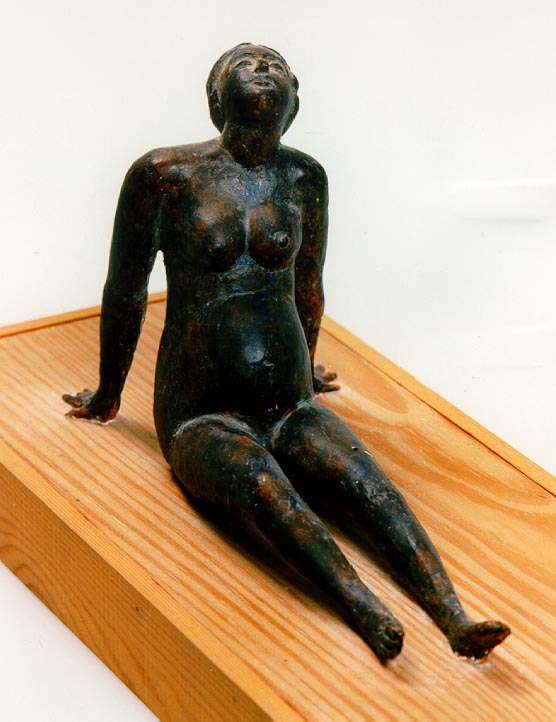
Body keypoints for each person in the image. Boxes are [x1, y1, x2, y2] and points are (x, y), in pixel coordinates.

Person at [64, 43, 510, 663]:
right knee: (266, 488)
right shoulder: (165, 175)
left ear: (294, 104)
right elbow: (125, 289)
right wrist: (108, 393)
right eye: (246, 64)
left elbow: (309, 284)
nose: (263, 69)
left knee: (366, 480)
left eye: (275, 65)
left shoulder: (304, 178)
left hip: (289, 401)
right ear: (216, 97)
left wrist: (308, 368)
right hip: (201, 413)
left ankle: (453, 614)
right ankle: (361, 604)